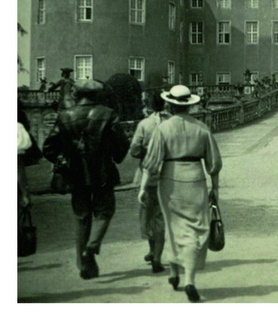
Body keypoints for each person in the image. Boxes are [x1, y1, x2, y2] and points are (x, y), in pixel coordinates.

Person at [139, 85, 223, 302]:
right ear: (190, 104)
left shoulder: (163, 129)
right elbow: (213, 163)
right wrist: (215, 188)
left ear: (170, 104)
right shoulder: (202, 128)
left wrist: (142, 187)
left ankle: (174, 271)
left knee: (173, 226)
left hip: (170, 182)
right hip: (195, 181)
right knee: (194, 230)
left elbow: (152, 163)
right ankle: (189, 280)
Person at [42, 79, 129, 280]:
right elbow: (121, 145)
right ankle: (91, 247)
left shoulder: (65, 116)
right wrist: (115, 157)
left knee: (81, 217)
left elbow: (49, 148)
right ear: (96, 95)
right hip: (103, 172)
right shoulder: (108, 114)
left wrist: (63, 158)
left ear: (77, 94)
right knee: (105, 212)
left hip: (75, 173)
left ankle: (83, 265)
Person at [128, 95, 172, 273]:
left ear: (149, 106)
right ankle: (157, 257)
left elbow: (134, 150)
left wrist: (146, 154)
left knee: (148, 214)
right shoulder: (172, 122)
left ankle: (152, 250)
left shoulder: (144, 124)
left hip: (148, 173)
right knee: (160, 217)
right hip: (168, 173)